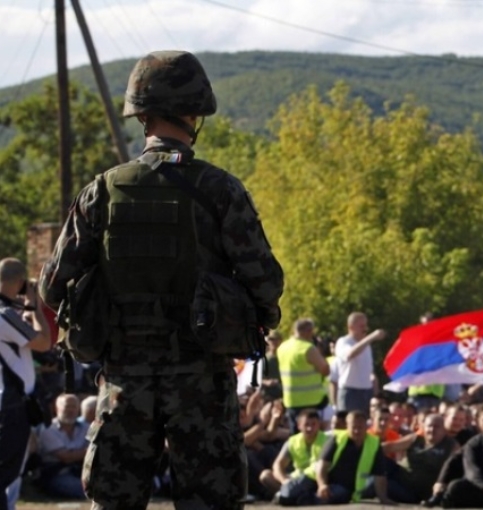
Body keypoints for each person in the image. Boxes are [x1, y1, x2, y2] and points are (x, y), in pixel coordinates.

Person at [38, 51, 284, 510]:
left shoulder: (104, 191)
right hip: (202, 380)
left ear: (141, 115)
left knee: (114, 502)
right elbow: (265, 283)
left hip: (123, 380)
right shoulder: (220, 190)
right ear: (195, 114)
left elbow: (52, 285)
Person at [0, 258, 51, 510]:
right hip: (10, 407)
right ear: (20, 283)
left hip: (9, 404)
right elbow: (43, 342)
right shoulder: (5, 315)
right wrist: (35, 307)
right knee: (5, 474)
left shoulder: (8, 313)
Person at [314, 410, 393, 504]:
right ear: (347, 426)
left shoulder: (374, 443)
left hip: (344, 488)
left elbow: (379, 475)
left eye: (360, 427)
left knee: (330, 496)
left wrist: (383, 499)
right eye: (354, 427)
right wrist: (322, 485)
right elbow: (322, 465)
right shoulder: (337, 438)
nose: (357, 431)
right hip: (317, 478)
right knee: (293, 492)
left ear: (366, 427)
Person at [261, 409, 328, 505]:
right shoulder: (292, 441)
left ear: (319, 425)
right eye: (306, 425)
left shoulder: (327, 440)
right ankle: (290, 495)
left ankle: (287, 496)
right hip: (296, 479)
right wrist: (284, 481)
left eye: (313, 424)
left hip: (315, 479)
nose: (309, 428)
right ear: (299, 426)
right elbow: (278, 465)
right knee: (265, 475)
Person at [277, 318, 329, 432]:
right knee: (312, 436)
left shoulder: (282, 347)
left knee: (296, 436)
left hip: (291, 400)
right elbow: (325, 370)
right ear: (308, 331)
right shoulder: (307, 348)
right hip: (311, 400)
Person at [37, 394, 88, 499]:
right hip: (57, 473)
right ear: (57, 409)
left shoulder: (86, 428)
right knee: (84, 489)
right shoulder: (48, 429)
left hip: (82, 470)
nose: (70, 410)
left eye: (74, 407)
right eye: (67, 406)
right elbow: (66, 458)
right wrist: (90, 451)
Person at [334, 312, 385, 414]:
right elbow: (350, 354)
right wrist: (371, 337)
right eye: (362, 326)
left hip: (366, 391)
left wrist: (375, 387)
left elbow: (369, 370)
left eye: (366, 325)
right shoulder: (343, 342)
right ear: (351, 327)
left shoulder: (366, 346)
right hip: (350, 392)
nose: (365, 329)